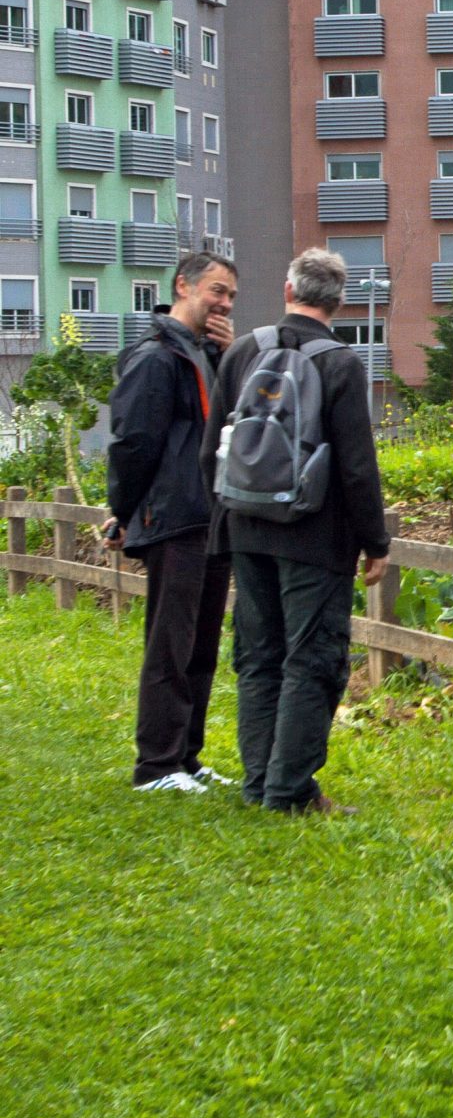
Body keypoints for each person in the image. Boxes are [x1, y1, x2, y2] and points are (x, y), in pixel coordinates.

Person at [204, 248, 389, 813]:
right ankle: (290, 790)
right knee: (311, 659)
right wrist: (375, 541)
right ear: (339, 302)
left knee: (258, 655)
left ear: (288, 291)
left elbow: (213, 442)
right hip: (314, 533)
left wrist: (226, 518)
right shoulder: (339, 363)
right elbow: (357, 465)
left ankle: (259, 779)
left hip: (246, 524)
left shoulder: (240, 352)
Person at [106, 249, 238, 793]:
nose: (224, 303)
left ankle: (186, 757)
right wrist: (123, 511)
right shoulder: (155, 357)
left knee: (202, 645)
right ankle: (154, 765)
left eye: (231, 294)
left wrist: (232, 361)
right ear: (183, 287)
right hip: (174, 516)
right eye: (216, 291)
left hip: (211, 515)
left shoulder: (208, 353)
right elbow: (133, 443)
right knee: (171, 642)